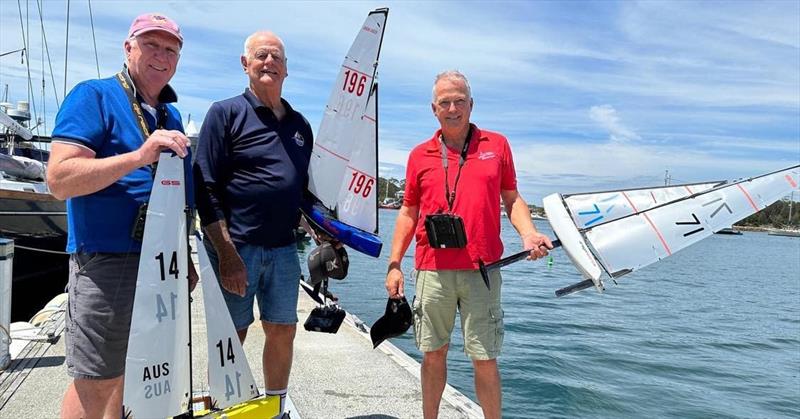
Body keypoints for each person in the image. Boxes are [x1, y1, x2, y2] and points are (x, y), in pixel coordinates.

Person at [46, 12, 196, 419]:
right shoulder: (92, 96)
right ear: (128, 48)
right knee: (97, 379)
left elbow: (180, 193)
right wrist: (139, 156)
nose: (161, 56)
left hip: (161, 265)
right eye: (151, 44)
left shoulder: (171, 116)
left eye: (171, 49)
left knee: (136, 374)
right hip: (107, 260)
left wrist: (184, 254)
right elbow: (59, 179)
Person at [384, 70, 553, 419]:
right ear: (434, 109)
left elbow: (513, 198)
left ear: (471, 105)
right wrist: (395, 262)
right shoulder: (419, 154)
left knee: (485, 357)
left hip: (483, 269)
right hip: (432, 269)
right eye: (445, 102)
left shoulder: (497, 145)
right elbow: (407, 212)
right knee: (433, 354)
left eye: (460, 100)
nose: (453, 108)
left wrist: (528, 234)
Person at [193, 31, 313, 416]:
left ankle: (275, 406)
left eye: (277, 56)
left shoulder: (299, 126)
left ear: (286, 69)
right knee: (232, 334)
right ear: (245, 64)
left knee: (282, 328)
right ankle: (220, 406)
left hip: (283, 249)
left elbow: (304, 193)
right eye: (261, 55)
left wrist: (330, 235)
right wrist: (226, 254)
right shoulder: (225, 113)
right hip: (237, 248)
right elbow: (204, 185)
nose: (269, 62)